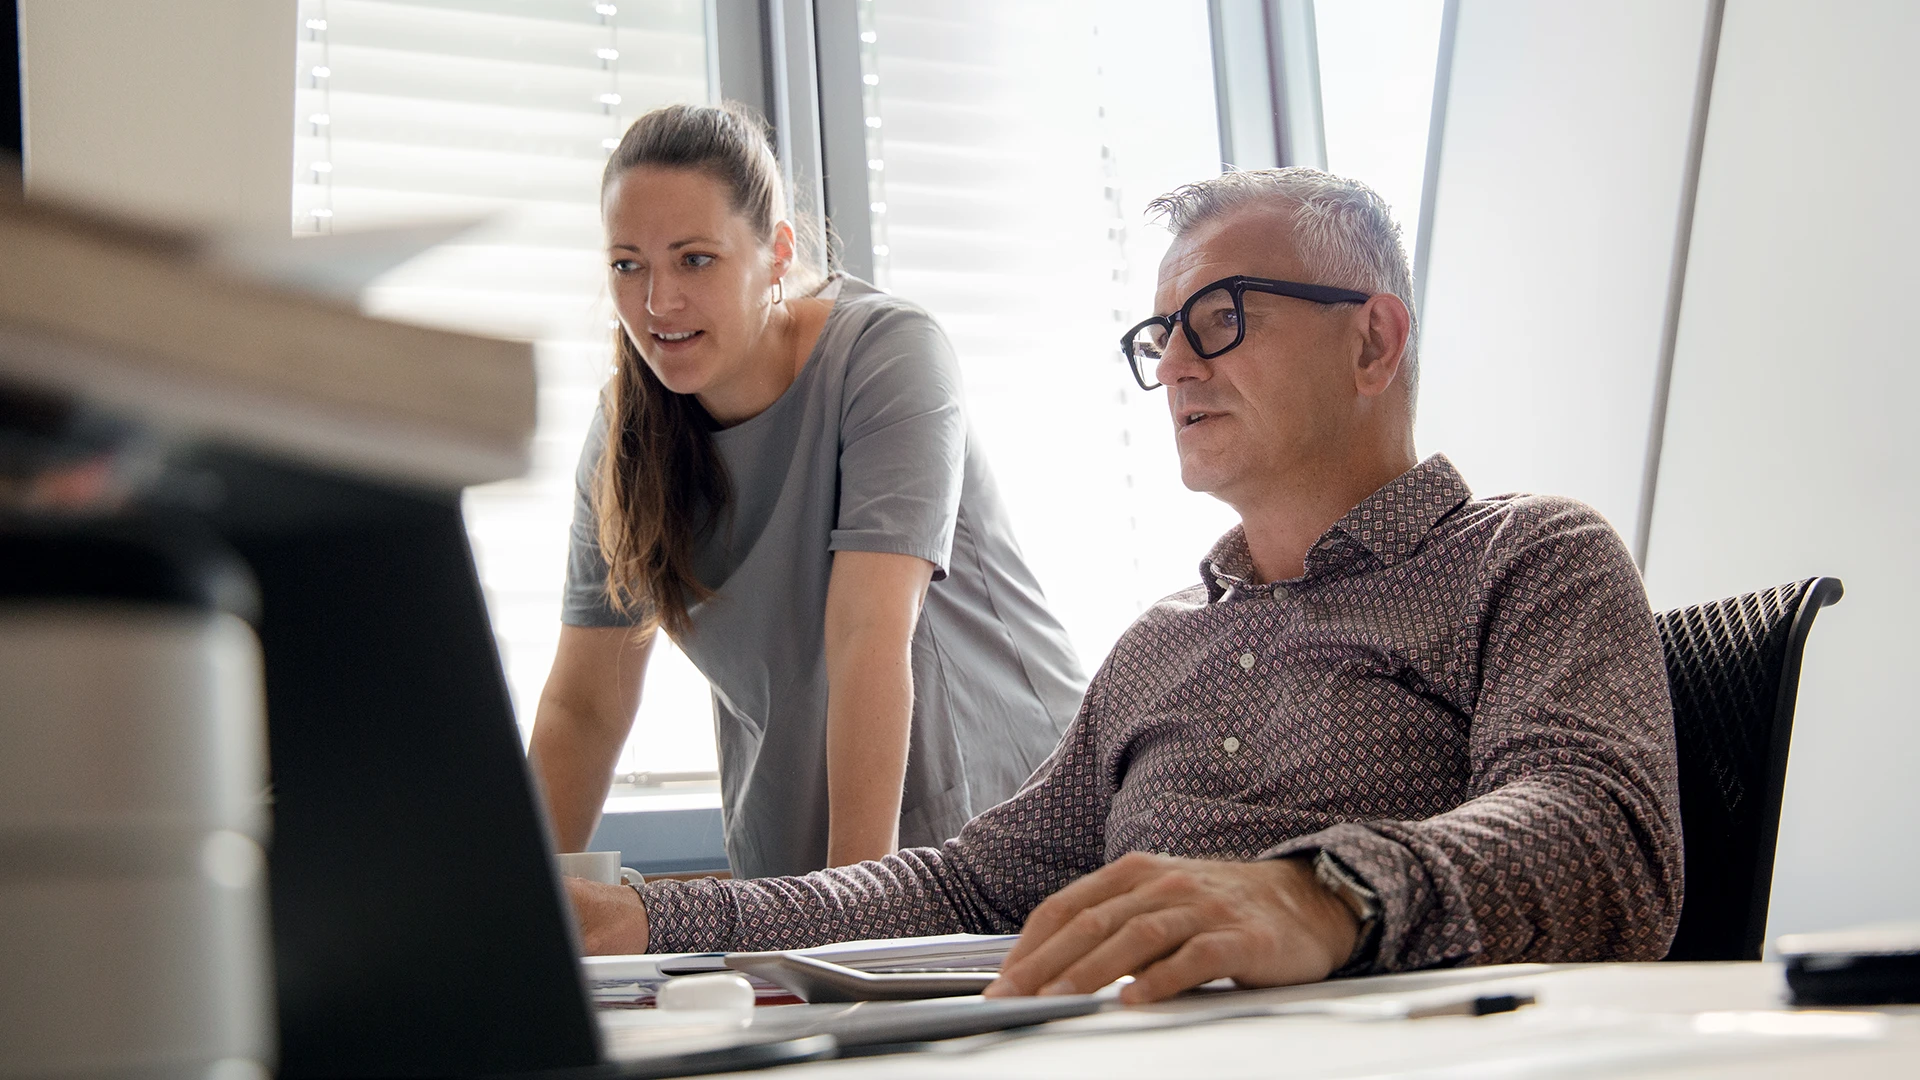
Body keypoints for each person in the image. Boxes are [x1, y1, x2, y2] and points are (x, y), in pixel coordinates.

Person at [564, 167, 1683, 1003]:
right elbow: (961, 889)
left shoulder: (1530, 558)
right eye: (1163, 335)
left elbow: (1603, 836)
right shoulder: (1160, 646)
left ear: (1373, 344)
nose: (1178, 365)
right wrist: (654, 918)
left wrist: (1322, 892)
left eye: (1219, 318)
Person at [529, 103, 1084, 879]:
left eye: (694, 259)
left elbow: (867, 636)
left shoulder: (888, 356)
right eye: (628, 264)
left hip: (1008, 825)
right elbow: (584, 708)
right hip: (797, 870)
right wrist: (503, 924)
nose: (657, 303)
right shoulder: (624, 436)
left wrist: (850, 913)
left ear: (777, 253)